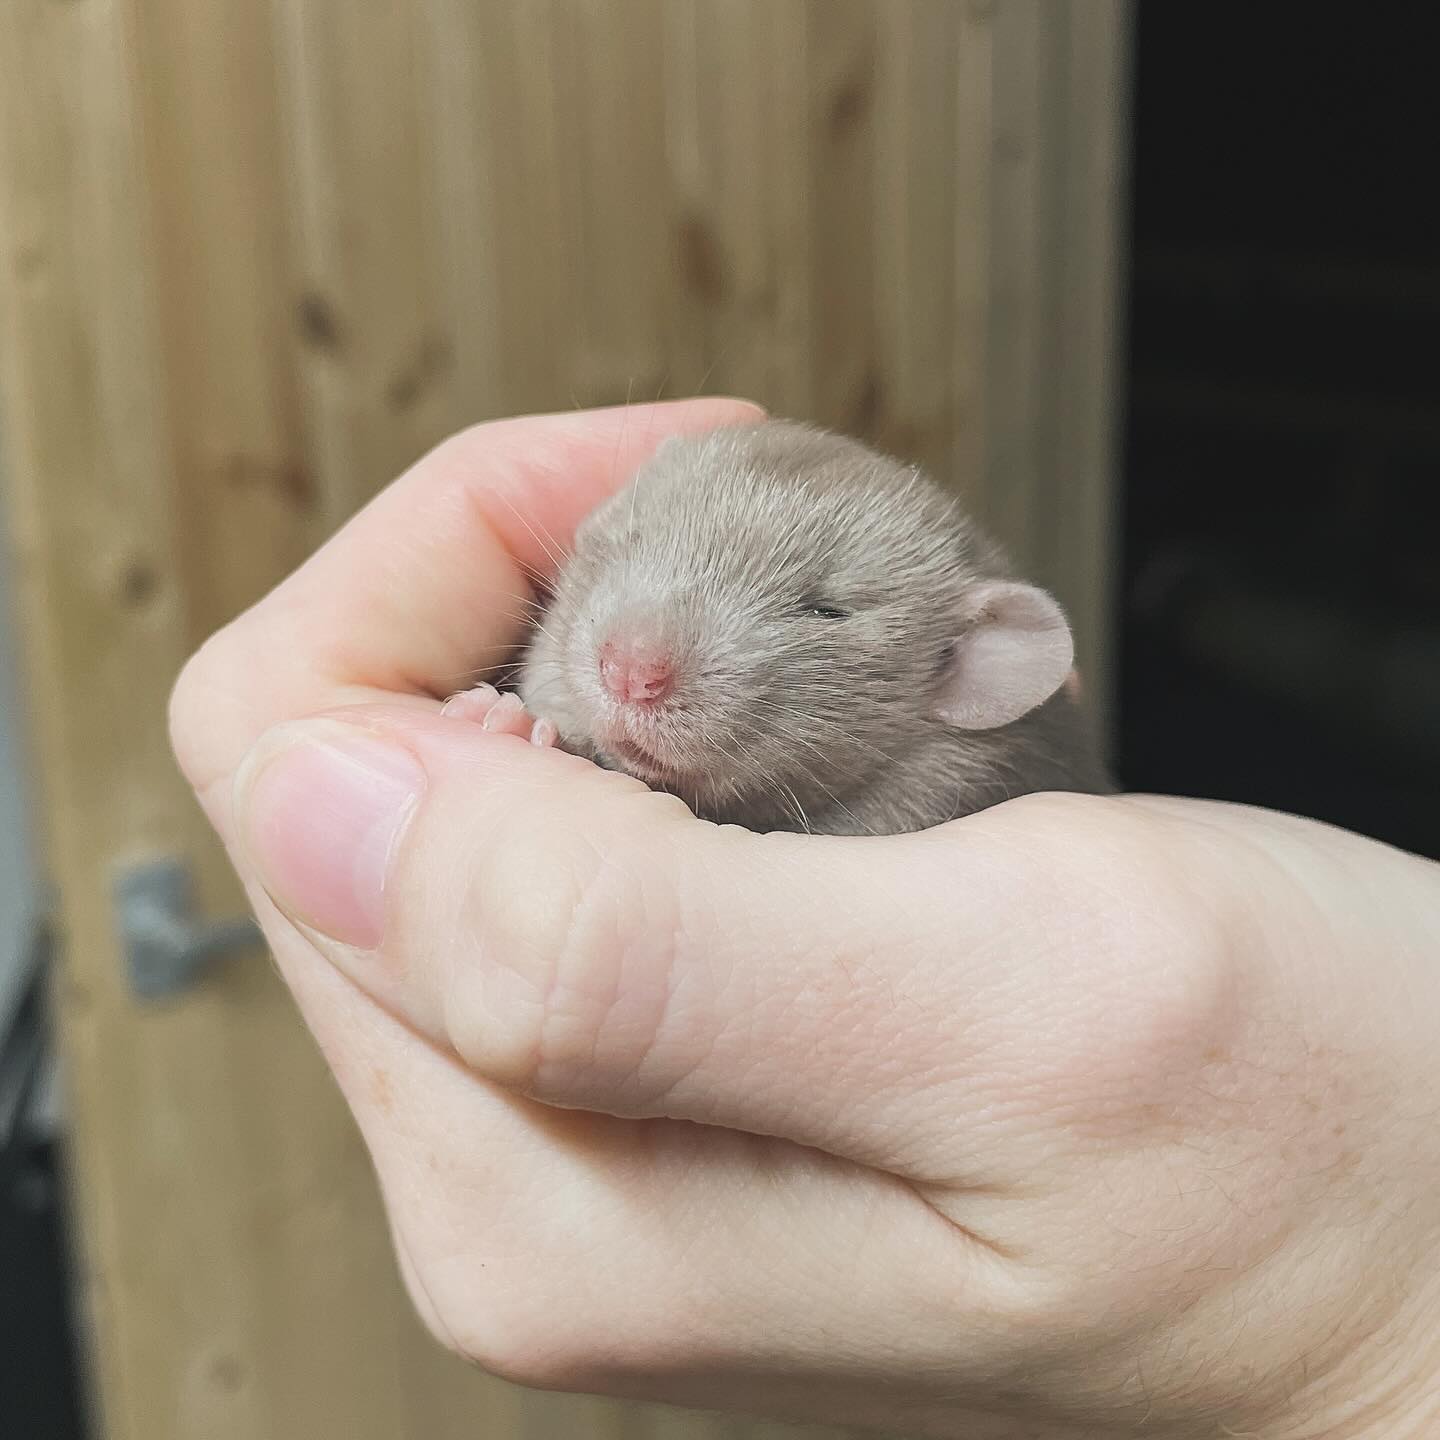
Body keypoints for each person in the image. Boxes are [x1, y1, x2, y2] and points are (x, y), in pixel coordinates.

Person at [169, 399, 1440, 1439]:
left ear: (969, 669)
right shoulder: (578, 663)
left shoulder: (957, 785)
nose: (631, 654)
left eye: (822, 613)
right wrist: (504, 743)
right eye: (610, 563)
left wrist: (1377, 1348)